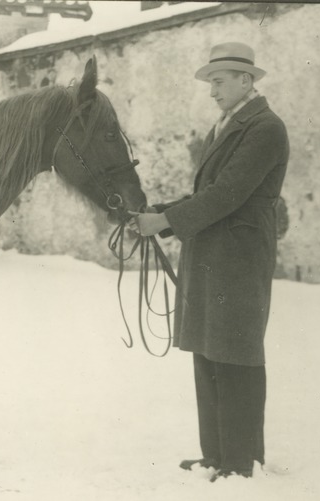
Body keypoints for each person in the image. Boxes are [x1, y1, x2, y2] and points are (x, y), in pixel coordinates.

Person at [129, 42, 289, 481]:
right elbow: (209, 194)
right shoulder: (228, 124)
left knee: (235, 353)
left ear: (245, 79)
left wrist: (166, 219)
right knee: (207, 349)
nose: (212, 91)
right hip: (212, 250)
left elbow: (229, 193)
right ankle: (217, 454)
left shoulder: (265, 127)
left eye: (218, 82)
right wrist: (159, 215)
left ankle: (240, 461)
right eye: (211, 83)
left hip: (238, 254)